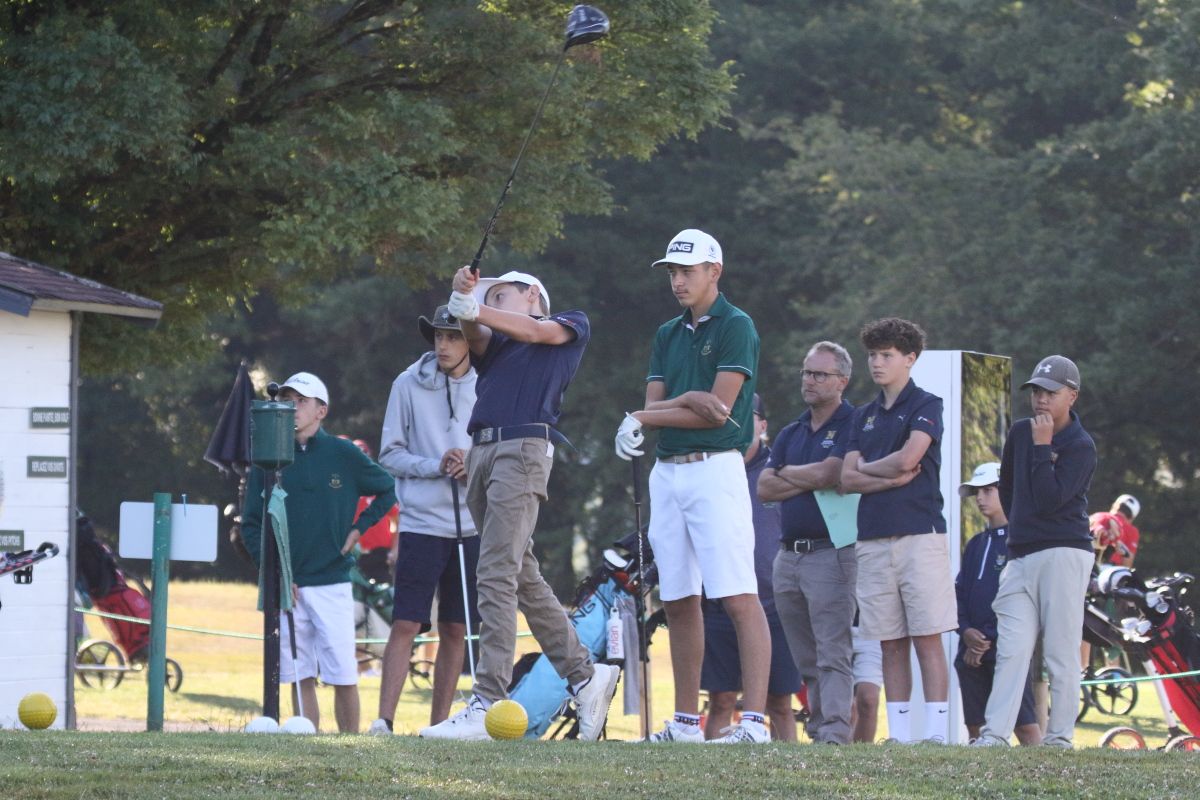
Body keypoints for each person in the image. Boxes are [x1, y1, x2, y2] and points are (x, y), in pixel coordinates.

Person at [420, 268, 620, 741]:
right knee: (521, 576)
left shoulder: (569, 323)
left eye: (500, 296)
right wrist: (464, 302)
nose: (492, 304)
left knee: (494, 572)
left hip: (522, 451)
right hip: (483, 453)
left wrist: (475, 306)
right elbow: (476, 333)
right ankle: (585, 675)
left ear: (532, 294)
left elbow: (533, 330)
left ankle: (487, 699)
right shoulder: (499, 346)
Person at [614, 228, 772, 744]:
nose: (678, 281)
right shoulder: (667, 333)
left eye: (687, 271)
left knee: (738, 595)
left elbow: (717, 411)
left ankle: (754, 724)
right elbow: (660, 406)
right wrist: (685, 402)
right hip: (668, 472)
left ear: (713, 272)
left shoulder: (737, 325)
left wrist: (657, 412)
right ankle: (685, 724)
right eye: (672, 272)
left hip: (716, 469)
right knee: (679, 597)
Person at [241, 371, 397, 733]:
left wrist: (359, 528)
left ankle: (350, 746)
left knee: (343, 673)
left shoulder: (343, 453)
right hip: (289, 586)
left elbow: (388, 489)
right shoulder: (268, 457)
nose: (292, 408)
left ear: (321, 410)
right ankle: (305, 745)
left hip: (333, 580)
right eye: (287, 401)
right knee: (300, 676)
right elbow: (251, 524)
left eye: (301, 401)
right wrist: (275, 571)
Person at [839, 317, 954, 744]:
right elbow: (847, 478)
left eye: (886, 355)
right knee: (889, 641)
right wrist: (885, 477)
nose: (877, 362)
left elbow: (911, 458)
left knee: (926, 636)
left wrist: (868, 470)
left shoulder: (927, 404)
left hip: (919, 533)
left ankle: (936, 735)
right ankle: (901, 736)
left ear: (910, 358)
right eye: (872, 354)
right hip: (872, 537)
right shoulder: (862, 416)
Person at [974, 355, 1097, 749]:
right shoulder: (1019, 433)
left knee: (1060, 652)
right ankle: (994, 735)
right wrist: (1020, 529)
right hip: (1021, 553)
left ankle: (1059, 739)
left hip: (1064, 552)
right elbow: (1008, 489)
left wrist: (1043, 447)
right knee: (1011, 650)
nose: (1041, 399)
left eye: (1051, 392)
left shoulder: (1081, 446)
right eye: (1036, 391)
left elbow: (1049, 499)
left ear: (1071, 396)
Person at [368, 305, 479, 735]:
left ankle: (440, 725)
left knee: (455, 627)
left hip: (473, 524)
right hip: (420, 523)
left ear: (471, 340)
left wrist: (473, 463)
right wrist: (436, 465)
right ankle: (384, 720)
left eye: (453, 337)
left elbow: (497, 448)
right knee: (406, 622)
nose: (443, 345)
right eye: (438, 336)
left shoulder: (489, 381)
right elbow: (390, 454)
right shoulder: (406, 383)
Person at [757, 341, 858, 744]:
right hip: (788, 557)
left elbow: (832, 473)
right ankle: (819, 729)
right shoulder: (792, 431)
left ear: (842, 381)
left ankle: (834, 732)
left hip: (832, 552)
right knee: (806, 655)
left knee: (833, 650)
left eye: (820, 374)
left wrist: (790, 474)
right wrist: (810, 476)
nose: (810, 381)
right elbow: (765, 487)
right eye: (806, 372)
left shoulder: (853, 423)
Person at [701, 393, 801, 741]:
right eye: (732, 416)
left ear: (763, 425)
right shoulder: (710, 468)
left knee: (780, 703)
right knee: (722, 698)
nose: (740, 424)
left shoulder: (778, 472)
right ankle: (710, 770)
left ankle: (791, 771)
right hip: (719, 603)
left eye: (748, 416)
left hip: (774, 605)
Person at [955, 461, 1042, 745]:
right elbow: (960, 592)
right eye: (976, 492)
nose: (980, 498)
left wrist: (986, 640)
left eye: (988, 490)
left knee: (1025, 726)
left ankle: (1048, 770)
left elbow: (1022, 599)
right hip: (969, 649)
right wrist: (966, 632)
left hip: (1007, 648)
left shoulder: (1021, 541)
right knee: (976, 727)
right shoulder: (975, 544)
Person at [344, 438, 400, 553]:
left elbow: (397, 519)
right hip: (354, 550)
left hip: (380, 551)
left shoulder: (379, 487)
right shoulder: (343, 488)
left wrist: (394, 548)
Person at [850, 624, 883, 743]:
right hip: (833, 630)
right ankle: (836, 752)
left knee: (868, 699)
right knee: (842, 708)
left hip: (872, 631)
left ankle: (860, 753)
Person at [1089, 494, 1141, 568]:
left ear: (1114, 505)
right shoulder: (1132, 531)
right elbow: (1127, 563)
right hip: (1106, 569)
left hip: (1080, 557)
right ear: (1132, 517)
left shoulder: (1097, 515)